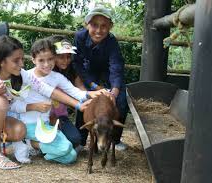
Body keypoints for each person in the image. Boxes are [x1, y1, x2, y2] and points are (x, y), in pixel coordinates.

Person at [0, 35, 90, 169]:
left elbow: (47, 90)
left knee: (19, 131)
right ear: (1, 61)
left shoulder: (22, 74)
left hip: (2, 116)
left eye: (22, 59)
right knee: (0, 101)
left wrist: (80, 102)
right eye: (16, 60)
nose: (22, 64)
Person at [11, 38, 103, 164]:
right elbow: (13, 105)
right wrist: (33, 106)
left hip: (45, 125)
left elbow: (75, 92)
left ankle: (33, 144)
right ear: (33, 60)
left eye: (50, 59)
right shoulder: (26, 77)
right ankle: (29, 143)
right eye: (41, 60)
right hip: (27, 124)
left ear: (54, 58)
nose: (46, 64)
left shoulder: (57, 77)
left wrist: (92, 93)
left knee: (71, 156)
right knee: (66, 147)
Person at [72, 5, 129, 151]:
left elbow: (116, 67)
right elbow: (77, 64)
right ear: (87, 25)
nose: (98, 30)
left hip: (109, 74)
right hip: (88, 73)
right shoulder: (79, 37)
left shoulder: (112, 42)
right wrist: (95, 87)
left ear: (110, 26)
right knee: (85, 99)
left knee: (122, 101)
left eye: (104, 26)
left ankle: (115, 139)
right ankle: (81, 139)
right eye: (94, 25)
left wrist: (113, 92)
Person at [48, 35, 84, 148]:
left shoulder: (71, 70)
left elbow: (80, 89)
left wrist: (92, 97)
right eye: (61, 57)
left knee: (75, 139)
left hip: (60, 115)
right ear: (52, 55)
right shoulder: (45, 72)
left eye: (68, 57)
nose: (66, 61)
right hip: (42, 114)